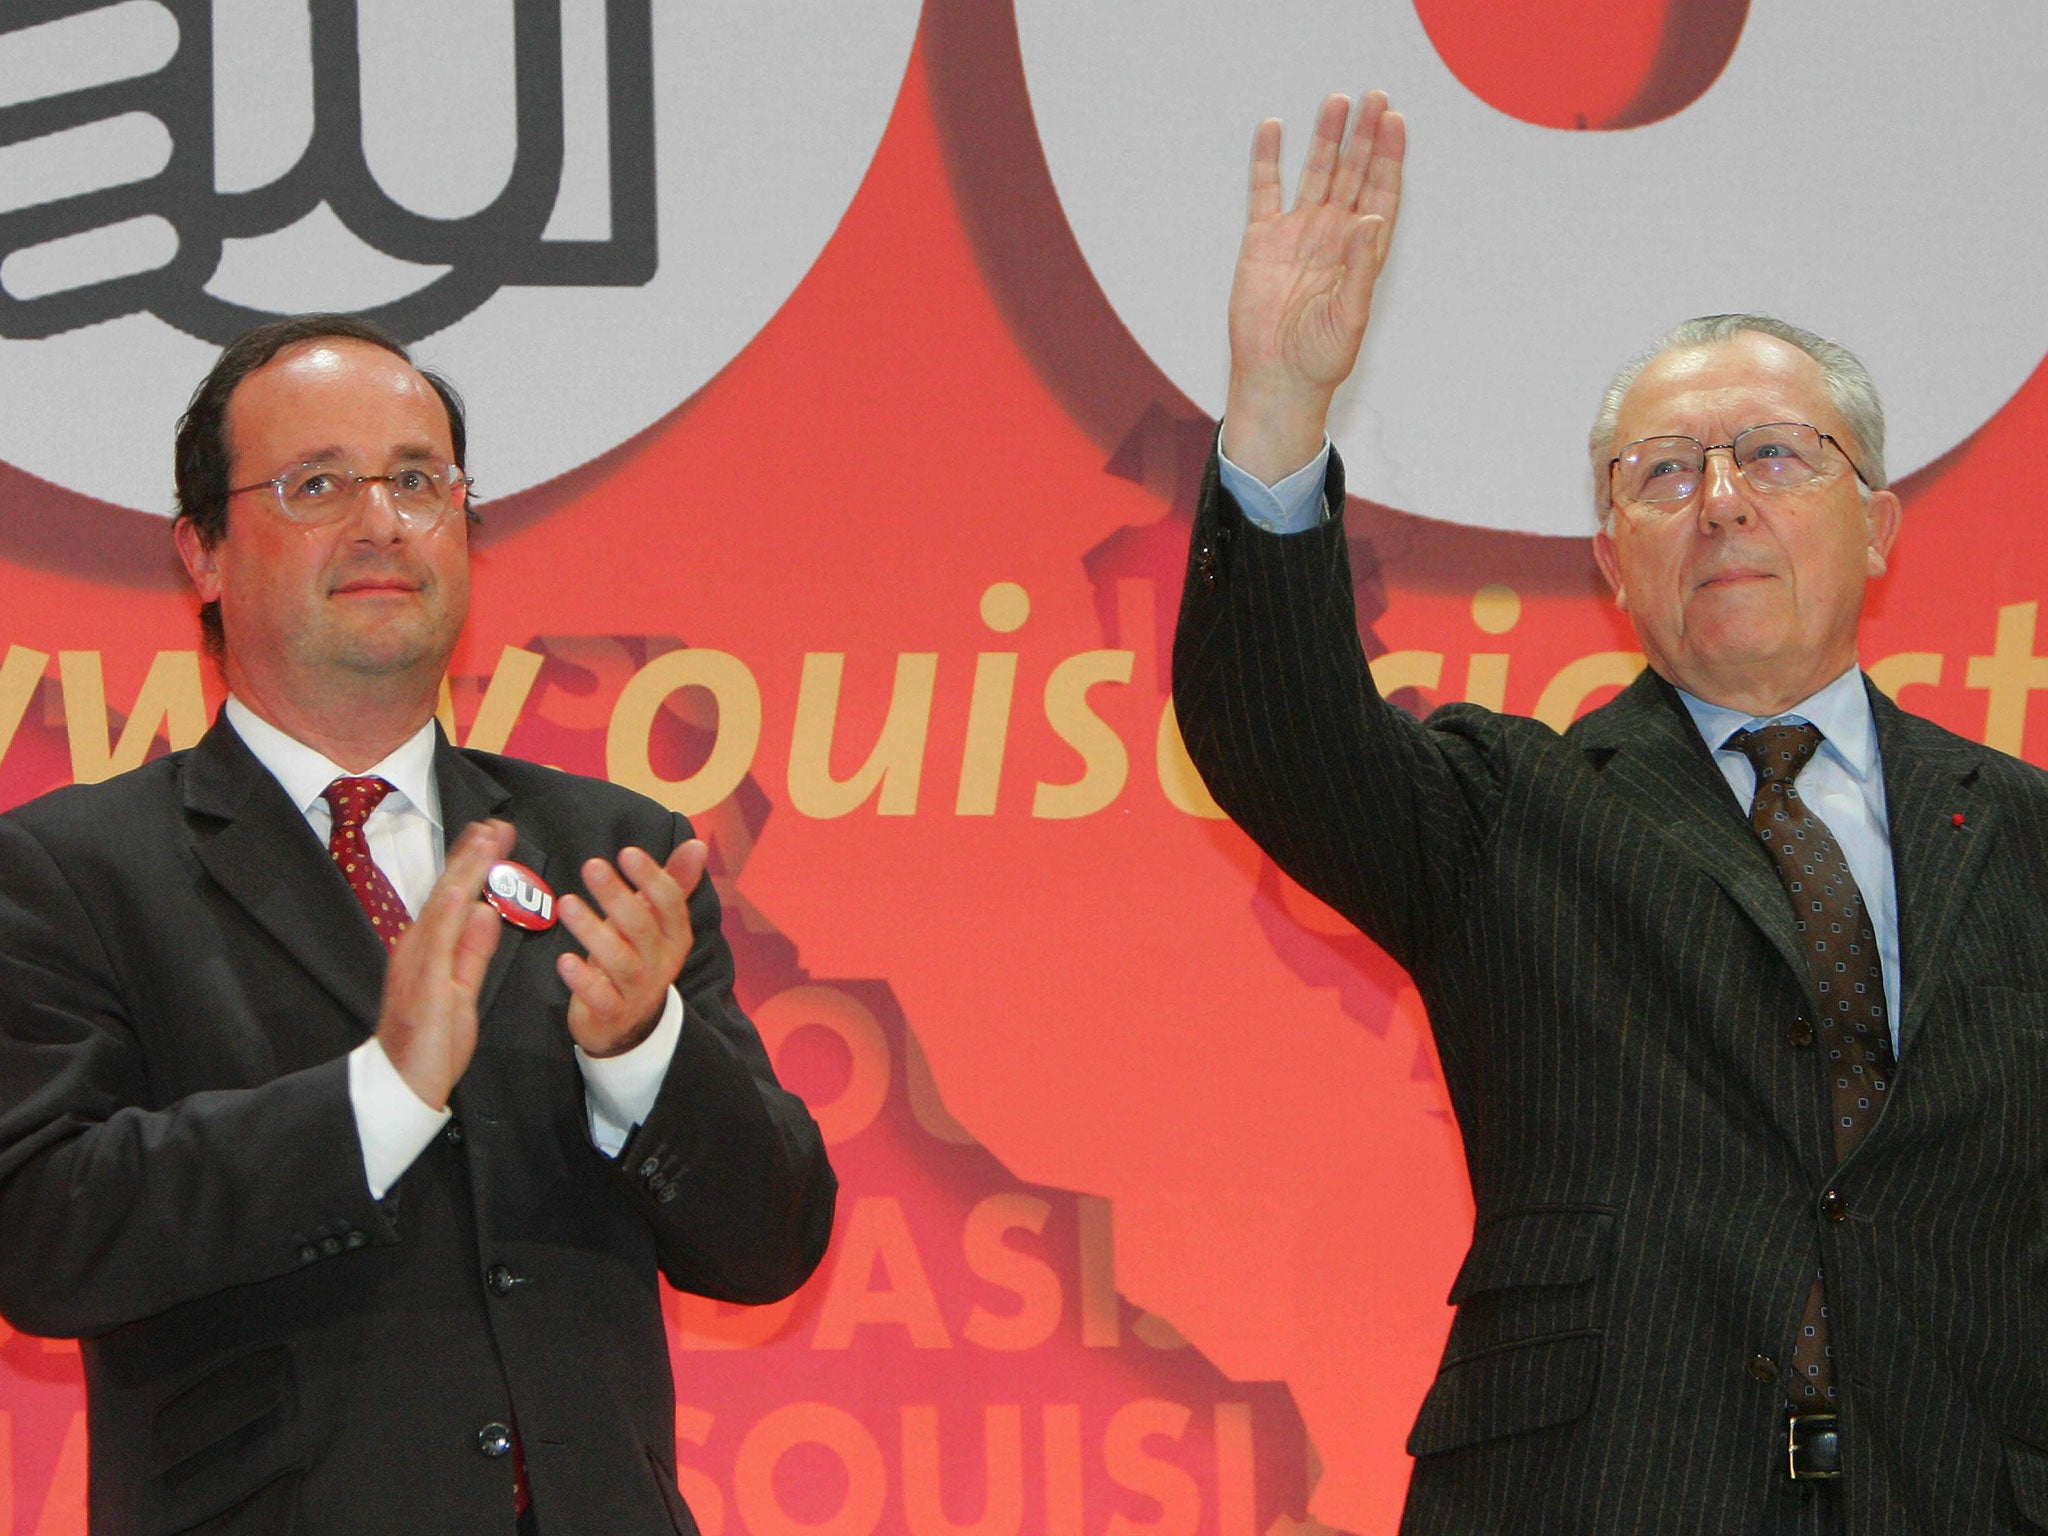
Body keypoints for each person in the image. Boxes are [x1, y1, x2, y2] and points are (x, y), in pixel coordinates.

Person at [1172, 92, 2048, 1535]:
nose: (1719, 501)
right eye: (1663, 473)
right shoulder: (1512, 814)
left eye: (1774, 455)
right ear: (1610, 556)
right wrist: (1277, 414)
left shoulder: (2020, 835)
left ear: (1877, 524)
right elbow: (1280, 737)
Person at [0, 314, 837, 1535]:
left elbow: (769, 1242)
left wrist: (642, 1051)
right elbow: (45, 1237)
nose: (380, 521)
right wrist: (379, 1097)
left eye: (416, 481)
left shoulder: (616, 853)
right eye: (317, 484)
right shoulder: (72, 870)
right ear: (204, 552)